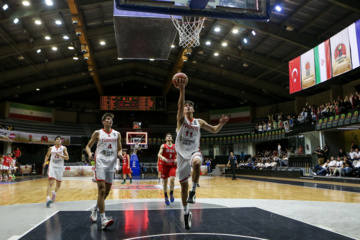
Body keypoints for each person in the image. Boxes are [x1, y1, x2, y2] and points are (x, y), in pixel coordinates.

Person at [174, 75, 229, 230]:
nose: (188, 107)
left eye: (190, 106)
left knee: (197, 162)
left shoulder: (199, 122)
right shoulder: (181, 120)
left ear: (193, 109)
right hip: (181, 157)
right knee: (182, 187)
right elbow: (179, 106)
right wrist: (182, 90)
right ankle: (186, 213)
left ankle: (194, 190)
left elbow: (214, 130)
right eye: (186, 106)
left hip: (194, 153)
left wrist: (221, 124)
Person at [86, 113, 122, 230]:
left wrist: (120, 153)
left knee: (106, 192)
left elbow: (120, 148)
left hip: (111, 164)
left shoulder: (117, 134)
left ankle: (95, 208)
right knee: (101, 190)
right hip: (100, 162)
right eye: (107, 119)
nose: (110, 121)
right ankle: (103, 219)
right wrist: (89, 153)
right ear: (103, 122)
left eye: (111, 119)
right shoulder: (97, 133)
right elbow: (88, 146)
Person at [43, 136, 69, 207]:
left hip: (60, 167)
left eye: (60, 139)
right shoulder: (51, 148)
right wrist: (45, 162)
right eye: (57, 139)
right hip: (52, 166)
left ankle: (54, 193)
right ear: (55, 141)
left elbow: (67, 158)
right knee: (51, 182)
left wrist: (60, 155)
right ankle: (48, 199)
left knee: (58, 185)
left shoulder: (64, 148)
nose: (59, 140)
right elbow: (47, 155)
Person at [157, 133, 177, 205]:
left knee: (172, 179)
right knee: (165, 181)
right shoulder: (163, 146)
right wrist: (162, 157)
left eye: (170, 136)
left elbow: (178, 154)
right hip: (165, 165)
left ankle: (171, 193)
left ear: (172, 138)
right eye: (167, 136)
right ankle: (166, 196)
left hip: (172, 165)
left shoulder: (175, 146)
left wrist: (177, 159)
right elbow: (159, 154)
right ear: (165, 139)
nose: (169, 137)